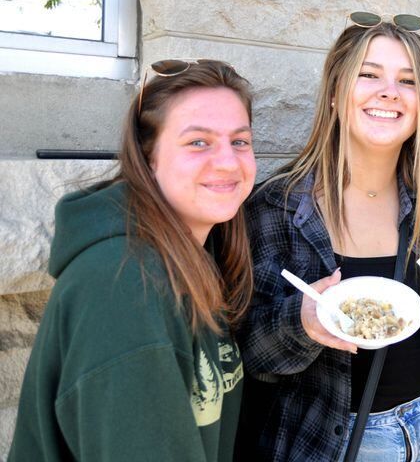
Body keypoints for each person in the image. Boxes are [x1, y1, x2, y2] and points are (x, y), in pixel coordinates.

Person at [236, 14, 420, 461]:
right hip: (331, 443)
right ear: (337, 92)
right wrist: (299, 324)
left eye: (408, 81)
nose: (389, 92)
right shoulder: (275, 207)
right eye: (369, 74)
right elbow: (239, 351)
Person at [8, 59, 256, 462]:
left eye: (240, 141)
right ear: (149, 156)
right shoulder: (124, 286)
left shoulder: (192, 253)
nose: (228, 161)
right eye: (198, 142)